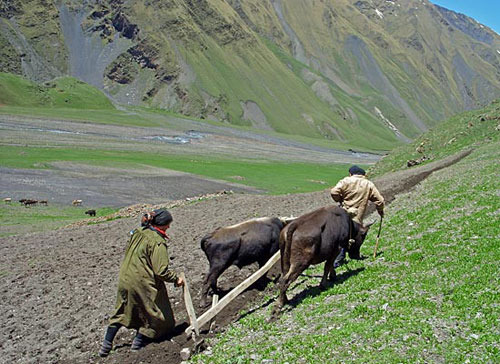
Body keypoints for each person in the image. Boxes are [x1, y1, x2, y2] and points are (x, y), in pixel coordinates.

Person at [98, 208, 184, 357]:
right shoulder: (158, 242)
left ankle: (106, 346)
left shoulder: (138, 232)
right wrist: (176, 279)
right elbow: (161, 271)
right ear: (161, 224)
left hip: (125, 278)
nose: (169, 227)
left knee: (122, 310)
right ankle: (138, 343)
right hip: (142, 281)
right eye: (167, 224)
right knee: (156, 313)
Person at [330, 165, 384, 267]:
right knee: (355, 234)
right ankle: (353, 255)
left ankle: (338, 259)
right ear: (363, 175)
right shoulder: (368, 184)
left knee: (342, 234)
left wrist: (339, 199)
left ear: (351, 174)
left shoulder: (345, 181)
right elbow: (380, 200)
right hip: (357, 217)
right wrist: (380, 211)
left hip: (344, 213)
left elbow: (334, 192)